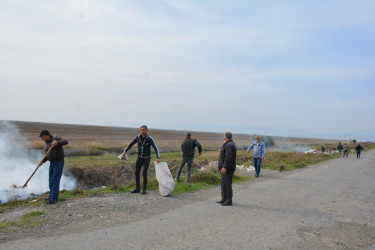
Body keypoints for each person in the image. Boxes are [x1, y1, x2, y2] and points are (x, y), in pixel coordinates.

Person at [121, 125, 160, 194]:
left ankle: (144, 189)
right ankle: (137, 188)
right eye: (141, 130)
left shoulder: (150, 138)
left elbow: (156, 148)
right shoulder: (138, 137)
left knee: (144, 173)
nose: (142, 131)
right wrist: (125, 151)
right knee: (136, 172)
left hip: (146, 158)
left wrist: (158, 157)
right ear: (140, 131)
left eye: (144, 130)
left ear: (146, 130)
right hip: (139, 158)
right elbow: (131, 144)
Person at [38, 130, 68, 205]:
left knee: (55, 180)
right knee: (51, 180)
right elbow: (47, 155)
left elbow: (66, 141)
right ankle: (51, 196)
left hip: (59, 162)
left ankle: (54, 199)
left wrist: (57, 143)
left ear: (46, 135)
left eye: (42, 137)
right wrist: (42, 161)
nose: (42, 139)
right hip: (52, 163)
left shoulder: (55, 138)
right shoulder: (47, 143)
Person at [217, 132, 237, 206]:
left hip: (227, 168)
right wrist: (221, 151)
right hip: (226, 168)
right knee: (223, 184)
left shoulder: (229, 145)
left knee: (227, 184)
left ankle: (229, 200)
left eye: (224, 137)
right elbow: (226, 153)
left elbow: (228, 157)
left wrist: (224, 167)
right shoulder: (230, 144)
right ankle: (224, 198)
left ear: (225, 138)